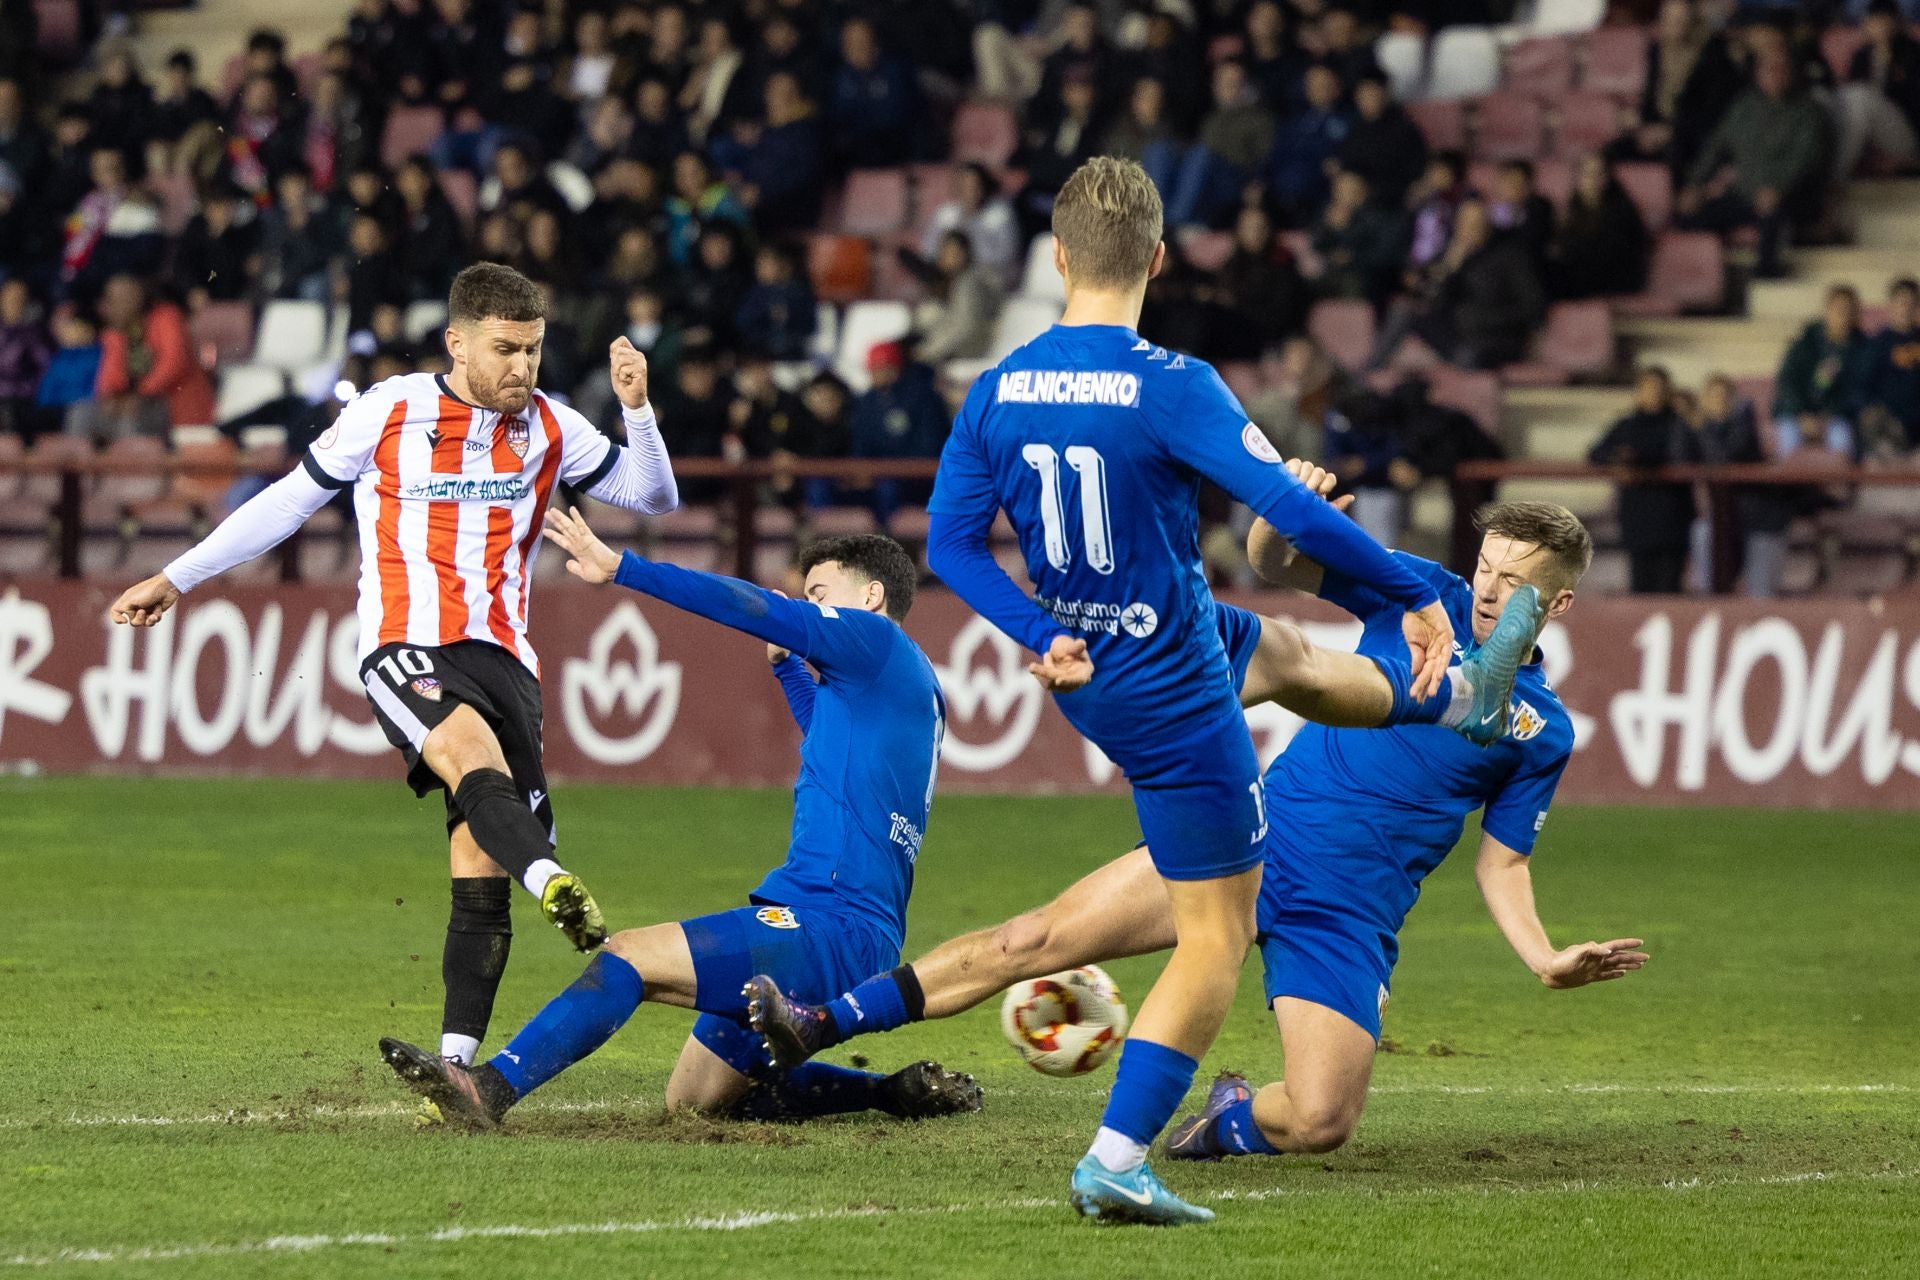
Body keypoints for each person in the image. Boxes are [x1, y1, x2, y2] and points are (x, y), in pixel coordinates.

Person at [754, 157, 1537, 1227]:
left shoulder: (999, 383)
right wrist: (1413, 589)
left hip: (1104, 664)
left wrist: (1040, 628)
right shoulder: (1173, 381)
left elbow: (946, 541)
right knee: (1218, 931)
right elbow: (1286, 513)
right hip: (1169, 687)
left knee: (1293, 662)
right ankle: (1117, 1156)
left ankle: (1453, 702)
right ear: (1161, 260)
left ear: (1061, 256)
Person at [748, 501, 1642, 1164]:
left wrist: (1542, 957)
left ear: (1555, 606)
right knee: (1033, 938)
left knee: (1323, 1121)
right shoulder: (1423, 599)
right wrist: (1286, 501)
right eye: (1486, 565)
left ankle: (1227, 1120)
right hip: (1256, 839)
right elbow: (1277, 555)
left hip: (1351, 912)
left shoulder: (1542, 730)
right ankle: (816, 1023)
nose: (1488, 587)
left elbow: (1504, 861)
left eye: (1513, 580)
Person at [107, 264, 682, 1070]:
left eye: (534, 350)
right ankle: (551, 875)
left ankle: (456, 1066)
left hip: (508, 660)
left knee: (478, 854)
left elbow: (654, 497)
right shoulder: (391, 409)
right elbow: (288, 501)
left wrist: (636, 409)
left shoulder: (554, 425)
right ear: (458, 342)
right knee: (468, 760)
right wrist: (178, 576)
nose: (522, 367)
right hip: (404, 643)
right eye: (505, 349)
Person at [380, 526, 983, 1128]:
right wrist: (789, 673)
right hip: (859, 930)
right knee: (693, 1100)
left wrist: (624, 568)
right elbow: (831, 743)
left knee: (631, 957)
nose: (810, 608)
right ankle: (891, 1092)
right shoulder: (913, 679)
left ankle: (491, 1086)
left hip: (828, 924)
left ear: (872, 597)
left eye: (820, 594)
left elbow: (748, 605)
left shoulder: (872, 641)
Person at [1676, 51, 1828, 278]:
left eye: (1781, 70)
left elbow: (1805, 159)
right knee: (1689, 217)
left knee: (1772, 216)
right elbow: (1717, 147)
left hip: (1789, 197)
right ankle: (1704, 284)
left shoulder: (1808, 111)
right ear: (1758, 75)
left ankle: (1766, 281)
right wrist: (1695, 184)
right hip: (1744, 194)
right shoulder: (1743, 108)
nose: (1775, 76)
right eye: (1769, 70)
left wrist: (1778, 187)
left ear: (1792, 74)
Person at [1587, 365, 1697, 594]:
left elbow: (1678, 455)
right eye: (1648, 388)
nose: (1654, 393)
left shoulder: (1677, 426)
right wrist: (1618, 460)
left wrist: (1636, 459)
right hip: (1638, 525)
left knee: (1669, 595)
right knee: (1640, 592)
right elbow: (1595, 453)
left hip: (1671, 527)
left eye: (1658, 388)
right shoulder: (1627, 426)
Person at [68, 274, 212, 439]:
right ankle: (77, 463)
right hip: (132, 404)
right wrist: (110, 397)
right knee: (81, 413)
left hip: (167, 405)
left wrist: (140, 394)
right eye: (112, 299)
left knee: (131, 418)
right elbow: (109, 377)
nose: (116, 305)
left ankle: (131, 463)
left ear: (138, 296)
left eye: (123, 298)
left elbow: (173, 363)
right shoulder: (115, 333)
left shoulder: (166, 316)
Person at [1773, 284, 1875, 448]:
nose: (1843, 315)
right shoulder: (1804, 343)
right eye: (1838, 309)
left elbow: (1858, 392)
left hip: (1837, 418)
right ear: (1827, 310)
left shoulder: (1864, 350)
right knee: (1788, 441)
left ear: (1856, 315)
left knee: (1842, 441)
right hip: (1797, 416)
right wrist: (1801, 414)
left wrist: (1829, 415)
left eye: (1849, 310)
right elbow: (1787, 383)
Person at [1833, 0, 1920, 181]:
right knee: (1848, 98)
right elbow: (1850, 99)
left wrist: (1889, 66)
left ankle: (1836, 176)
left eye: (1885, 21)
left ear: (1896, 23)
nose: (1880, 27)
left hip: (1906, 136)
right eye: (1875, 22)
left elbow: (1913, 103)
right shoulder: (1862, 56)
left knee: (1858, 97)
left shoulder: (1912, 53)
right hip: (1869, 133)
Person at [1547, 153, 1650, 301]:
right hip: (1581, 275)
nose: (1594, 180)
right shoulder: (1574, 208)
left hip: (1613, 280)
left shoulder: (1622, 211)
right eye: (1588, 174)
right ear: (1578, 178)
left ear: (1608, 177)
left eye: (1599, 173)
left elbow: (1614, 254)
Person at [1864, 277, 1920, 453]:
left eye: (1911, 304)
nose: (1905, 309)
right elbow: (1864, 386)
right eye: (1901, 303)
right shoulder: (1877, 343)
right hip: (1889, 421)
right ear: (1891, 305)